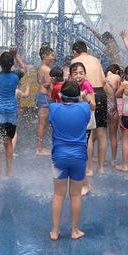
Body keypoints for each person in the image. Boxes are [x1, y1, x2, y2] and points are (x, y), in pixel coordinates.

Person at [48, 80, 90, 241]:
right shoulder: (84, 108)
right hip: (79, 157)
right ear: (78, 95)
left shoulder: (54, 108)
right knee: (76, 195)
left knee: (58, 195)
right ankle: (74, 231)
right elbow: (89, 104)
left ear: (60, 95)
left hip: (59, 156)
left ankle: (55, 231)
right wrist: (83, 97)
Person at [0, 48, 27, 178]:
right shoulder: (16, 75)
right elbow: (24, 68)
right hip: (11, 114)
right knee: (8, 141)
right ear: (12, 64)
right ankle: (9, 170)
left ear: (0, 64)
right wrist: (17, 55)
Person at [69, 41, 107, 176]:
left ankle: (89, 168)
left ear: (75, 51)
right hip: (100, 93)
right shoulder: (96, 60)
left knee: (88, 134)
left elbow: (71, 80)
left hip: (86, 93)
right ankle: (101, 167)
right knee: (102, 132)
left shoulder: (75, 60)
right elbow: (103, 80)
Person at [70, 62, 97, 193]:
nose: (78, 76)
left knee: (80, 151)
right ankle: (80, 179)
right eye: (75, 73)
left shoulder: (86, 85)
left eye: (81, 73)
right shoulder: (71, 85)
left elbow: (93, 106)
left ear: (85, 74)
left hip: (86, 121)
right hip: (75, 121)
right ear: (70, 75)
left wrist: (85, 98)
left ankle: (85, 184)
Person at [36, 45, 56, 155]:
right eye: (51, 55)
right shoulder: (47, 70)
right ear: (44, 56)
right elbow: (49, 87)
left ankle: (40, 147)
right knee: (42, 123)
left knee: (42, 123)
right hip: (45, 97)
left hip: (41, 96)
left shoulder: (41, 68)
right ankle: (39, 149)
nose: (53, 58)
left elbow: (40, 82)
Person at [105, 64, 122, 166]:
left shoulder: (102, 77)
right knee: (113, 135)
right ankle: (113, 160)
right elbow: (119, 93)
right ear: (117, 71)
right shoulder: (117, 77)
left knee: (99, 134)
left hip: (102, 106)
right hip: (113, 107)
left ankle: (97, 159)